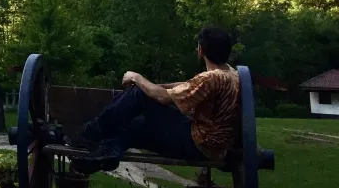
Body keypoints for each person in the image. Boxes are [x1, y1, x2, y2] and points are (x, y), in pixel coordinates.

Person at [72, 26, 240, 175]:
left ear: (201, 50)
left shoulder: (210, 78)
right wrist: (153, 86)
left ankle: (91, 132)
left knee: (138, 93)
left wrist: (137, 78)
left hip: (198, 144)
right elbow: (186, 86)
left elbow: (163, 98)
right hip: (215, 147)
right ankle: (109, 153)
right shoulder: (230, 74)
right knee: (137, 125)